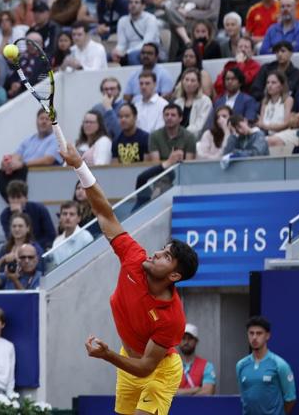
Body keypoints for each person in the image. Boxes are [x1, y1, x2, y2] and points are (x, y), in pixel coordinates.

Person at [59, 132, 198, 415]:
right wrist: (79, 165)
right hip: (128, 360)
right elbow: (106, 215)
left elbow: (148, 366)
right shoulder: (135, 258)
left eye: (166, 257)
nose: (157, 253)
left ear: (174, 276)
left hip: (159, 370)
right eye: (162, 249)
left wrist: (107, 354)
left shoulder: (172, 317)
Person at [236, 316, 296, 415]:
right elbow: (244, 397)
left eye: (259, 333)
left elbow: (290, 399)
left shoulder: (280, 364)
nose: (254, 337)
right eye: (251, 333)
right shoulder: (241, 365)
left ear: (267, 336)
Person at [176, 323, 216, 396]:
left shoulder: (207, 366)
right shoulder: (170, 366)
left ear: (196, 341)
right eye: (183, 338)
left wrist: (179, 392)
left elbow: (208, 391)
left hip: (199, 407)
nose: (186, 342)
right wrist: (196, 389)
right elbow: (166, 393)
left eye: (190, 338)